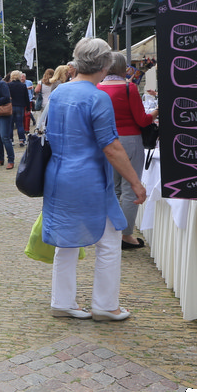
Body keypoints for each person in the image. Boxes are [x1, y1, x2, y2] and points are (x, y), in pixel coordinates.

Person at [44, 38, 147, 322]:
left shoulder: (59, 92)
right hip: (88, 177)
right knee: (110, 240)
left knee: (66, 240)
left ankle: (62, 301)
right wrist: (135, 182)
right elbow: (111, 146)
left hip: (58, 174)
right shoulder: (97, 97)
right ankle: (105, 305)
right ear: (105, 65)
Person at [97, 52, 159, 250]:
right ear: (123, 67)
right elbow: (142, 120)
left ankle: (108, 231)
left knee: (111, 188)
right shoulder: (128, 88)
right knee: (130, 188)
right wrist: (157, 111)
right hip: (129, 140)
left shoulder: (98, 87)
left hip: (105, 141)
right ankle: (126, 235)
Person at [9, 70, 32, 145]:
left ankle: (11, 140)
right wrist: (28, 107)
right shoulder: (23, 86)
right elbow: (26, 97)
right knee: (20, 124)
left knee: (10, 124)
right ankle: (21, 140)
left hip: (11, 106)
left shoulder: (8, 85)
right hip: (20, 106)